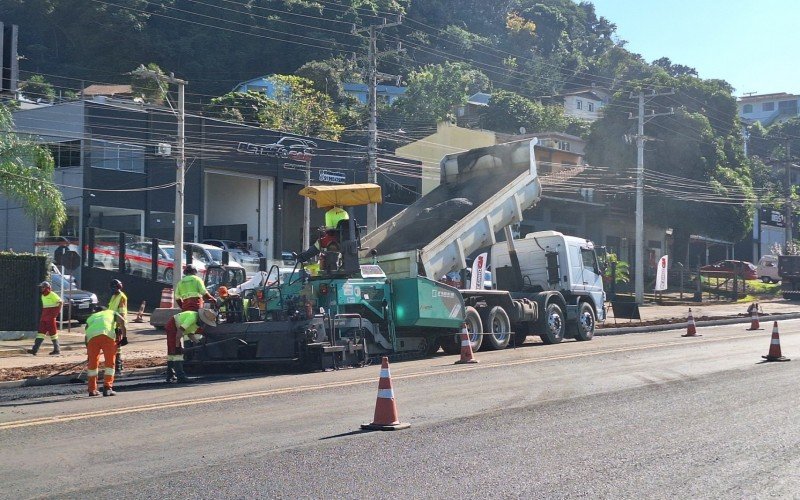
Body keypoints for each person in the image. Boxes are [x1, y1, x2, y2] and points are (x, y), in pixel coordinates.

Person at [164, 308, 217, 383]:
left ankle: (170, 375)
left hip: (177, 328)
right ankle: (180, 377)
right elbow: (179, 331)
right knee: (176, 353)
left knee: (172, 353)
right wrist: (177, 346)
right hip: (173, 326)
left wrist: (198, 342)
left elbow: (190, 334)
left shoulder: (197, 323)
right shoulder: (192, 318)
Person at [83, 309, 126, 397]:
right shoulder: (112, 312)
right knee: (110, 363)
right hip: (107, 335)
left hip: (91, 338)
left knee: (92, 365)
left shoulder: (92, 317)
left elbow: (86, 332)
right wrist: (124, 337)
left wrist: (89, 354)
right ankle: (107, 388)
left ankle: (92, 390)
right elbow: (122, 321)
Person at [28, 281, 63, 356]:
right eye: (41, 287)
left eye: (43, 287)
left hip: (50, 318)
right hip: (44, 318)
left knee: (53, 334)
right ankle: (34, 350)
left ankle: (57, 350)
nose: (41, 288)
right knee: (40, 334)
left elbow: (60, 302)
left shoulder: (52, 294)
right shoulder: (43, 296)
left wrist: (56, 314)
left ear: (47, 288)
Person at [108, 279, 128, 374]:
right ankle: (117, 365)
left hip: (118, 325)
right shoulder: (113, 296)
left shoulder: (121, 297)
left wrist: (122, 331)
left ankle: (118, 366)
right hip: (111, 324)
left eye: (113, 288)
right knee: (113, 346)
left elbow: (122, 314)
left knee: (117, 347)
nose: (112, 290)